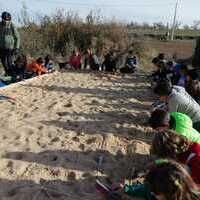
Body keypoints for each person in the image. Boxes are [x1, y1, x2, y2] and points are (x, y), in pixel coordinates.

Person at [98, 159, 200, 200]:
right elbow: (147, 188)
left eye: (155, 192)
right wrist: (127, 187)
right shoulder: (165, 187)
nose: (153, 193)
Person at [0, 11, 20, 76]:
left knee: (9, 62)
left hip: (10, 47)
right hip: (1, 47)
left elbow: (17, 37)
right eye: (4, 19)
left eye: (7, 20)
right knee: (3, 61)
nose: (6, 21)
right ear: (2, 19)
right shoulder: (0, 25)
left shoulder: (12, 25)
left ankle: (12, 74)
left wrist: (17, 47)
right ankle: (7, 73)